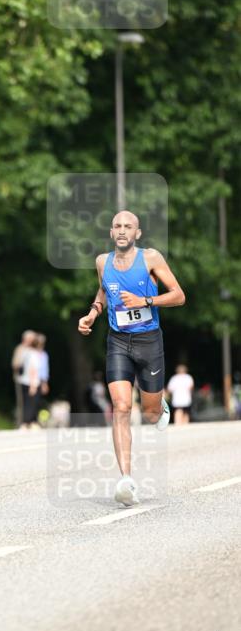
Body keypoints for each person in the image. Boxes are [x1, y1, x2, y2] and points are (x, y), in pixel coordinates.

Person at [78, 211, 185, 507]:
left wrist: (145, 301)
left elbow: (179, 295)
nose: (122, 230)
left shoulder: (151, 258)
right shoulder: (102, 262)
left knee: (150, 414)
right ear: (111, 233)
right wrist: (93, 312)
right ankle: (126, 480)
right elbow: (103, 290)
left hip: (149, 341)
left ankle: (158, 404)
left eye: (128, 226)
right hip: (118, 341)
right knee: (121, 406)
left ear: (137, 233)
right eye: (117, 226)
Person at [11, 330, 36, 427]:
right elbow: (15, 364)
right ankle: (22, 422)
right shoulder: (20, 349)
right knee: (22, 401)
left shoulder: (33, 350)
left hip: (32, 379)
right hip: (21, 379)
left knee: (32, 401)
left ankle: (30, 421)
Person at [18, 332, 41, 429]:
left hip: (24, 380)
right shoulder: (34, 354)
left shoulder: (25, 352)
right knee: (31, 403)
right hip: (31, 381)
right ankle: (26, 422)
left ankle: (29, 422)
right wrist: (33, 384)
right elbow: (32, 369)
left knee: (26, 402)